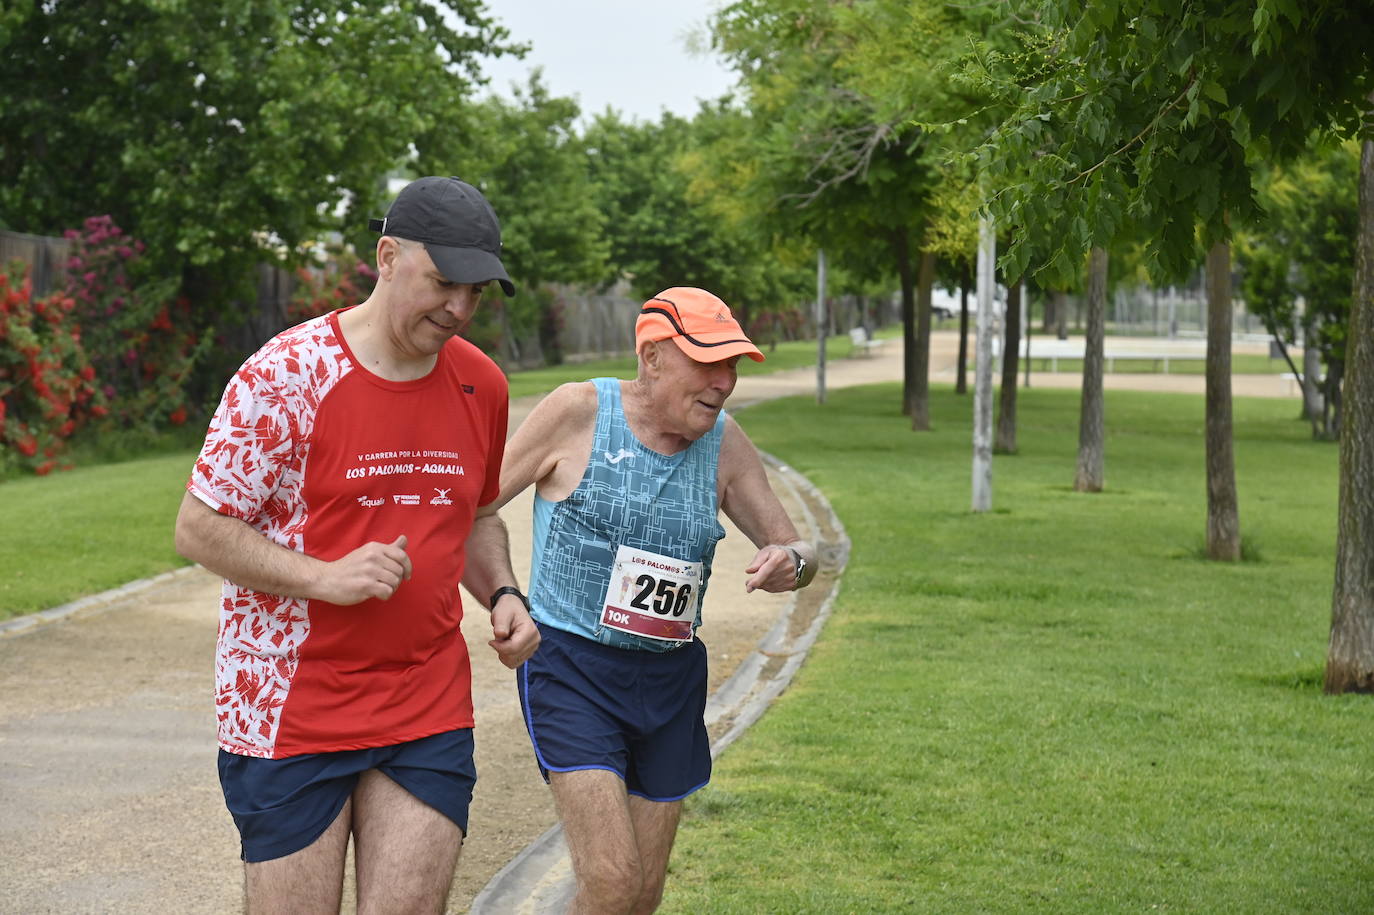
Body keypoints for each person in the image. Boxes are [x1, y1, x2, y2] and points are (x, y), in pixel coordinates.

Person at [173, 175, 540, 912]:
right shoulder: (287, 373)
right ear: (387, 256)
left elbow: (473, 514)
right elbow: (198, 526)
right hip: (288, 705)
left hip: (424, 702)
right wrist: (323, 576)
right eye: (444, 283)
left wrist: (502, 591)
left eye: (477, 292)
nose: (460, 308)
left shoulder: (482, 386)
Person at [496, 286, 818, 913]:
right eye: (708, 362)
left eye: (732, 366)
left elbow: (800, 550)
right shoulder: (578, 412)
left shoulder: (723, 442)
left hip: (670, 682)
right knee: (611, 878)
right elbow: (476, 505)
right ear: (652, 355)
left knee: (641, 893)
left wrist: (792, 564)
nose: (724, 382)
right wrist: (503, 592)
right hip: (572, 671)